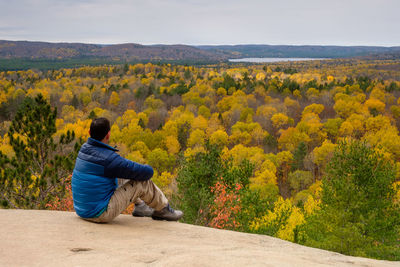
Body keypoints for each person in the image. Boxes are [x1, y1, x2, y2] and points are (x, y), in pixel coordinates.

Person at [71, 117, 183, 223]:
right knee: (142, 182)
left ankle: (140, 207)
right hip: (99, 214)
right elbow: (147, 173)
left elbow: (120, 168)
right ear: (108, 135)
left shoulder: (84, 149)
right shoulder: (109, 159)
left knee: (121, 174)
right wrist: (148, 167)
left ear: (89, 132)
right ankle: (163, 210)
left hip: (82, 209)